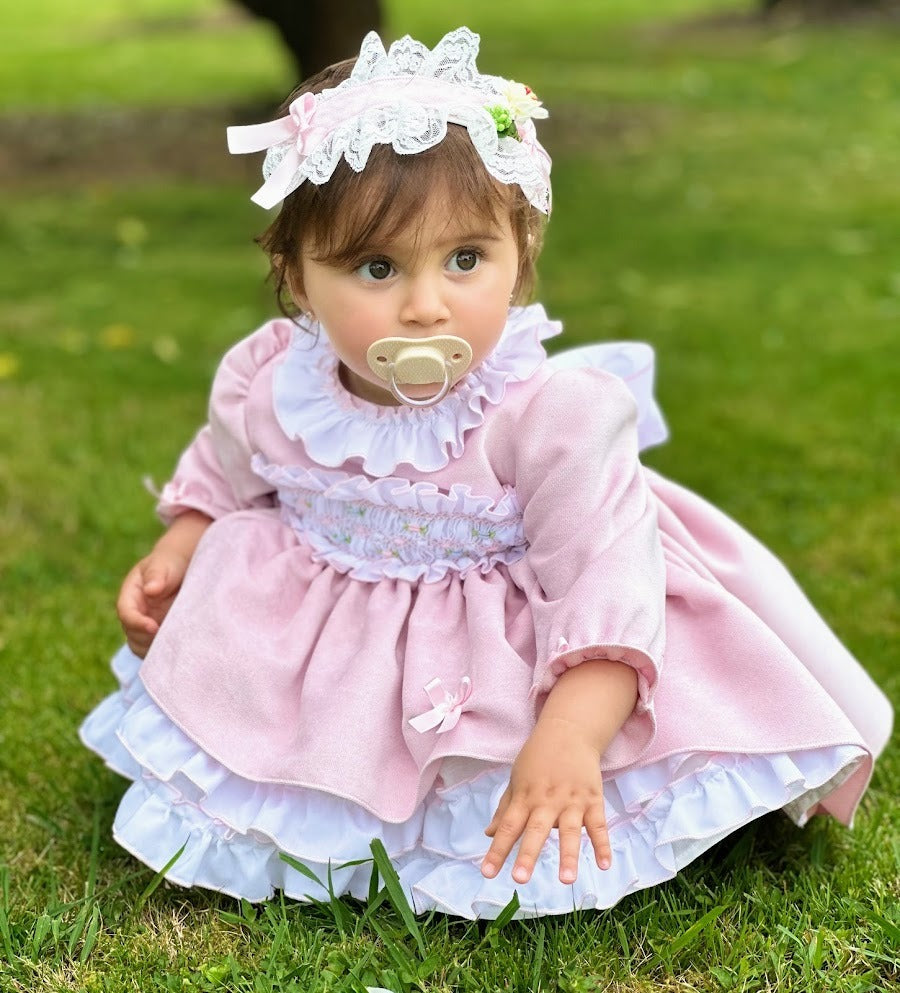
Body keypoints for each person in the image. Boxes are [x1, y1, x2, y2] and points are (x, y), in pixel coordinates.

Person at [80, 27, 892, 920]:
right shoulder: (272, 381)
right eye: (377, 268)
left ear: (521, 255)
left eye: (465, 260)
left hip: (505, 650)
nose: (426, 306)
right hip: (325, 643)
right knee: (263, 677)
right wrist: (188, 534)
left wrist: (571, 734)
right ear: (297, 279)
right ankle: (308, 791)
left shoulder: (549, 415)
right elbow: (231, 469)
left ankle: (541, 779)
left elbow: (605, 580)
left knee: (545, 753)